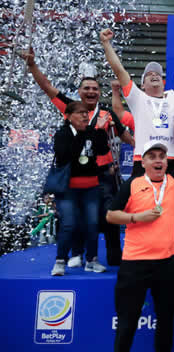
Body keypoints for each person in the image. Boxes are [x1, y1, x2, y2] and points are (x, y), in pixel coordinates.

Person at [106, 109, 174, 352]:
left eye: (162, 156)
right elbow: (110, 215)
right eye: (152, 157)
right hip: (134, 264)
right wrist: (136, 217)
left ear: (166, 161)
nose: (158, 160)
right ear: (143, 162)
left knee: (165, 322)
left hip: (166, 264)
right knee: (127, 323)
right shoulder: (132, 184)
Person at [22, 48, 129, 266]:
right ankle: (77, 254)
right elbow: (47, 87)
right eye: (86, 88)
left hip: (104, 174)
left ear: (99, 93)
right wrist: (32, 65)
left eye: (95, 89)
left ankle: (114, 256)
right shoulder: (70, 108)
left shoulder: (107, 113)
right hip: (75, 174)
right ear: (79, 92)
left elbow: (125, 136)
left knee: (109, 214)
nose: (91, 91)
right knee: (78, 217)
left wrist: (144, 146)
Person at [101, 28, 174, 178]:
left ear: (163, 82)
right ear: (142, 85)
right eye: (149, 74)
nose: (154, 75)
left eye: (157, 74)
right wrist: (106, 43)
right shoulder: (138, 99)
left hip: (172, 160)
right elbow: (119, 71)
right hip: (143, 160)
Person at [51, 102, 111, 275]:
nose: (85, 115)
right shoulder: (62, 134)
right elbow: (65, 156)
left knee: (92, 224)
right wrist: (81, 135)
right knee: (69, 224)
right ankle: (60, 261)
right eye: (80, 113)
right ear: (69, 116)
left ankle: (92, 260)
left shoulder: (91, 131)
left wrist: (101, 131)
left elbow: (102, 150)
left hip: (91, 187)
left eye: (86, 113)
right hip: (68, 189)